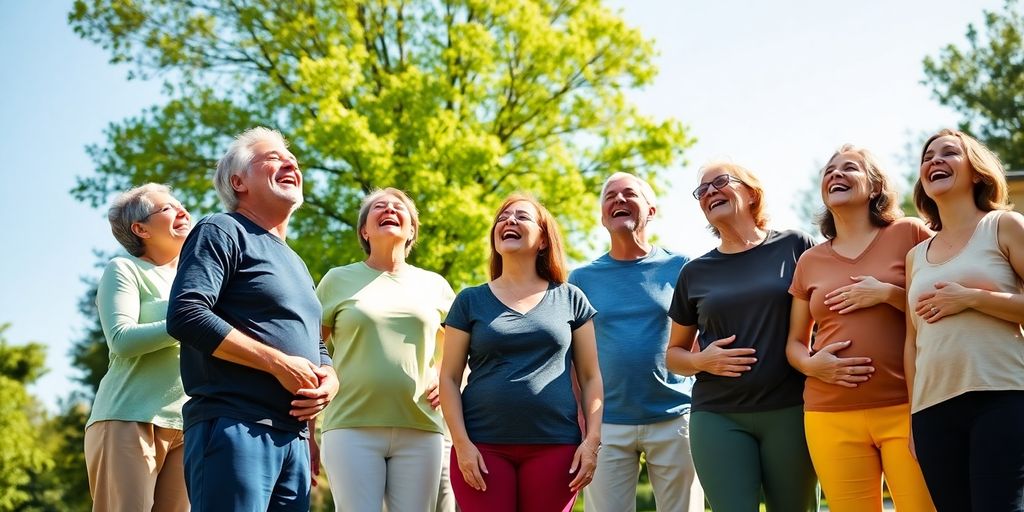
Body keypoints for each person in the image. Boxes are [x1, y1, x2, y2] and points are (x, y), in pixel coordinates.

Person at [167, 127, 338, 511]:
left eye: (292, 159)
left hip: (292, 440)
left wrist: (331, 376)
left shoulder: (296, 261)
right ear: (238, 181)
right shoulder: (222, 230)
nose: (290, 162)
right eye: (273, 157)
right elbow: (186, 314)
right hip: (234, 426)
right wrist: (276, 364)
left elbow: (314, 340)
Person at [786, 145, 934, 512]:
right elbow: (794, 342)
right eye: (828, 170)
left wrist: (887, 293)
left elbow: (938, 306)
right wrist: (811, 365)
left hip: (906, 406)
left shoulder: (910, 233)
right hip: (828, 413)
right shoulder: (810, 260)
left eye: (849, 168)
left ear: (874, 187)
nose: (835, 174)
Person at [666, 162, 818, 512]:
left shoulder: (796, 246)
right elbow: (673, 354)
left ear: (751, 193)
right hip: (718, 416)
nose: (709, 193)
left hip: (791, 409)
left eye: (720, 182)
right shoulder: (695, 272)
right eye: (701, 191)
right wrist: (701, 360)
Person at [439, 194, 603, 512]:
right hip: (482, 447)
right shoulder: (469, 301)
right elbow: (448, 378)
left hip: (556, 446)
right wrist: (461, 444)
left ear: (543, 240)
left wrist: (592, 441)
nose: (509, 221)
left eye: (521, 217)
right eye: (503, 217)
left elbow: (590, 376)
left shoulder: (572, 298)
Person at [568, 172, 703, 512]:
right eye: (609, 196)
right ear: (602, 216)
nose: (619, 200)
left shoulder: (681, 267)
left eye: (630, 194)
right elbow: (574, 356)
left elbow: (699, 340)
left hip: (676, 416)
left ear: (651, 210)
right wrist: (580, 417)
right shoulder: (581, 278)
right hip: (607, 422)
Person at [315, 187, 455, 511]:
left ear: (411, 230)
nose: (389, 209)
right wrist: (308, 430)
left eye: (398, 207)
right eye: (379, 206)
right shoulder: (337, 280)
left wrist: (442, 373)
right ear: (365, 230)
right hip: (350, 426)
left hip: (422, 427)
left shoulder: (435, 285)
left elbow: (461, 348)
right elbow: (313, 350)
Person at [905, 128, 1024, 511]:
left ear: (976, 171)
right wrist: (912, 415)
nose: (934, 160)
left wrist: (972, 298)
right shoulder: (916, 255)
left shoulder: (1004, 225)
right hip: (932, 409)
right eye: (928, 156)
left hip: (1002, 397)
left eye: (948, 153)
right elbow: (912, 342)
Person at [84, 183, 192, 512]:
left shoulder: (198, 279)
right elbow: (121, 338)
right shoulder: (125, 269)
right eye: (168, 208)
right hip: (128, 419)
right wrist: (192, 321)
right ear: (140, 228)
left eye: (180, 204)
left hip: (188, 427)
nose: (182, 211)